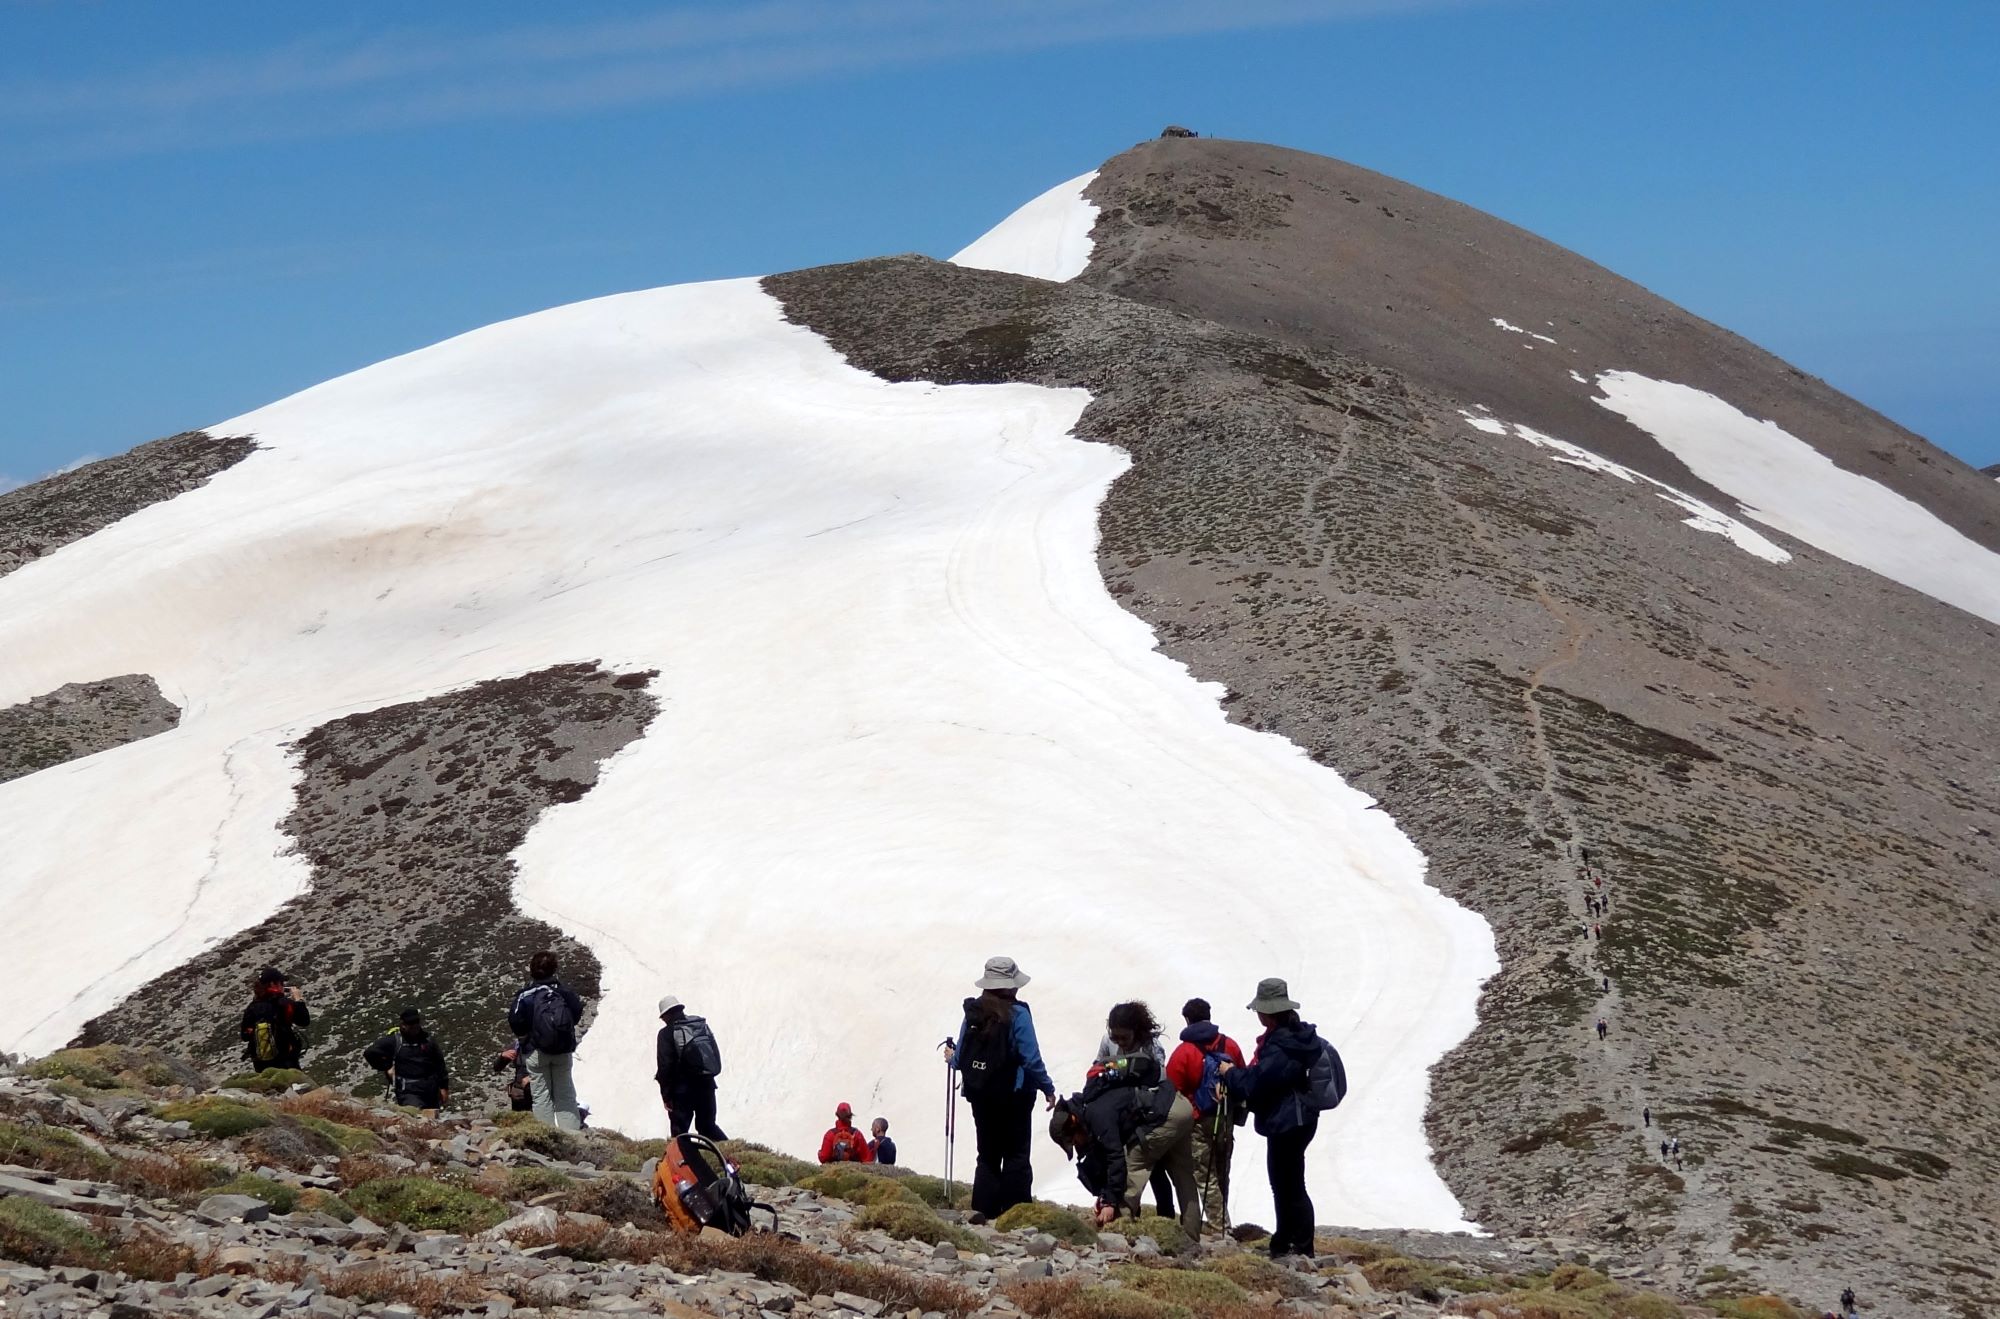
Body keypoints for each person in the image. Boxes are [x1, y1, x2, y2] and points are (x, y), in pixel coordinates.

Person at [1216, 977, 1327, 1260]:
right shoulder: (1299, 1037)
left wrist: (1230, 1073)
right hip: (1301, 1118)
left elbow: (1256, 1083)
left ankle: (1296, 1246)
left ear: (1268, 1013)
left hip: (1287, 1121)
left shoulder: (1280, 1046)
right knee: (1290, 1182)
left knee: (1285, 1184)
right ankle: (1292, 1242)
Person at [946, 956, 1056, 1219]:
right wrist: (1047, 1088)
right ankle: (1016, 1216)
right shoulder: (1018, 1014)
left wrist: (951, 1058)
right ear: (1010, 986)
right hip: (1015, 1095)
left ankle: (982, 1214)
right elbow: (1031, 1058)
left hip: (980, 1094)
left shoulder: (974, 1013)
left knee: (987, 1155)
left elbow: (961, 1059)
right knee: (1016, 1154)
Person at [1048, 1040, 1180, 1229]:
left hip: (1154, 1118)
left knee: (1145, 1167)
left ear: (1073, 1125)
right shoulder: (1085, 1115)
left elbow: (1114, 1158)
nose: (1076, 1145)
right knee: (1154, 1171)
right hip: (1140, 1122)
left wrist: (1109, 1202)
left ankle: (1149, 1223)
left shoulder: (1096, 1116)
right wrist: (1105, 1197)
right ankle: (1160, 1221)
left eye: (1072, 1141)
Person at [1166, 997, 1246, 1235]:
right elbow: (1241, 1076)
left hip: (1198, 1119)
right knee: (1222, 1169)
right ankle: (1222, 1219)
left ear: (1187, 1019)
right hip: (1226, 1116)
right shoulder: (1229, 1045)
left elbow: (1173, 1088)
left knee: (1204, 1174)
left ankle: (1220, 1224)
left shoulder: (1184, 1052)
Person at [507, 950, 585, 1131]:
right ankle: (572, 1135)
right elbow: (576, 1011)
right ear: (554, 969)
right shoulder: (564, 992)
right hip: (562, 1051)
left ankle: (548, 1137)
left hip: (536, 1052)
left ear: (532, 970)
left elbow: (515, 1021)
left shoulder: (525, 995)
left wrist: (527, 1036)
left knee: (541, 1095)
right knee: (565, 1094)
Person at [654, 995, 726, 1140]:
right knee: (708, 1127)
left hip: (682, 1092)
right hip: (707, 1085)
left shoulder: (666, 1034)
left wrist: (666, 1096)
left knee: (680, 1134)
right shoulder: (699, 1025)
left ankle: (683, 1161)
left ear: (666, 1015)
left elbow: (665, 1066)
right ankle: (731, 1157)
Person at [363, 1008, 450, 1115]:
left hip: (431, 1090)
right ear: (403, 1024)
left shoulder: (428, 1040)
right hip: (409, 1092)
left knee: (433, 1120)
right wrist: (387, 1067)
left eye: (416, 1023)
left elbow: (439, 1064)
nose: (414, 1027)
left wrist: (443, 1087)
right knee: (415, 1117)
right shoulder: (395, 1040)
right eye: (411, 1024)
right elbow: (370, 1053)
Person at [240, 968, 311, 1073]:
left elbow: (245, 1036)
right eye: (281, 983)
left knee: (271, 1087)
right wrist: (298, 1000)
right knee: (297, 1086)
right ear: (273, 984)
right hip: (286, 1062)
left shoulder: (252, 1007)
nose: (283, 986)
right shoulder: (285, 1004)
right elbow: (304, 1020)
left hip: (261, 1065)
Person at [491, 1038, 533, 1112]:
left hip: (538, 1093)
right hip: (519, 1095)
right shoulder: (517, 1045)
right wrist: (502, 1057)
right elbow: (497, 1068)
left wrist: (533, 1077)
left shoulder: (543, 1044)